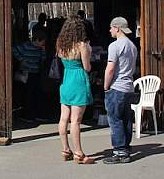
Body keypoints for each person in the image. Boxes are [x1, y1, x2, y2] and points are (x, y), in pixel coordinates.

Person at [56, 17, 95, 164]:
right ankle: (79, 153)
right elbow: (87, 67)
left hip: (66, 80)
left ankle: (65, 149)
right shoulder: (82, 45)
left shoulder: (61, 44)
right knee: (76, 121)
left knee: (63, 118)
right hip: (78, 81)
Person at [102, 16, 139, 164]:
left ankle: (119, 151)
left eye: (111, 27)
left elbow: (110, 69)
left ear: (117, 28)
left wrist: (106, 86)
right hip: (128, 86)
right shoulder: (132, 46)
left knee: (115, 119)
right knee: (126, 119)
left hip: (116, 86)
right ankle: (126, 148)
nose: (110, 30)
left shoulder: (114, 46)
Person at [13, 28, 47, 122]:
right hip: (26, 73)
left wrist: (43, 50)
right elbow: (14, 49)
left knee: (35, 94)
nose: (43, 45)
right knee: (28, 94)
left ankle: (34, 114)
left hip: (35, 72)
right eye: (42, 42)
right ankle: (28, 115)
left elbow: (43, 59)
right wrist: (21, 59)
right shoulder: (26, 46)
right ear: (37, 40)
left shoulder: (39, 49)